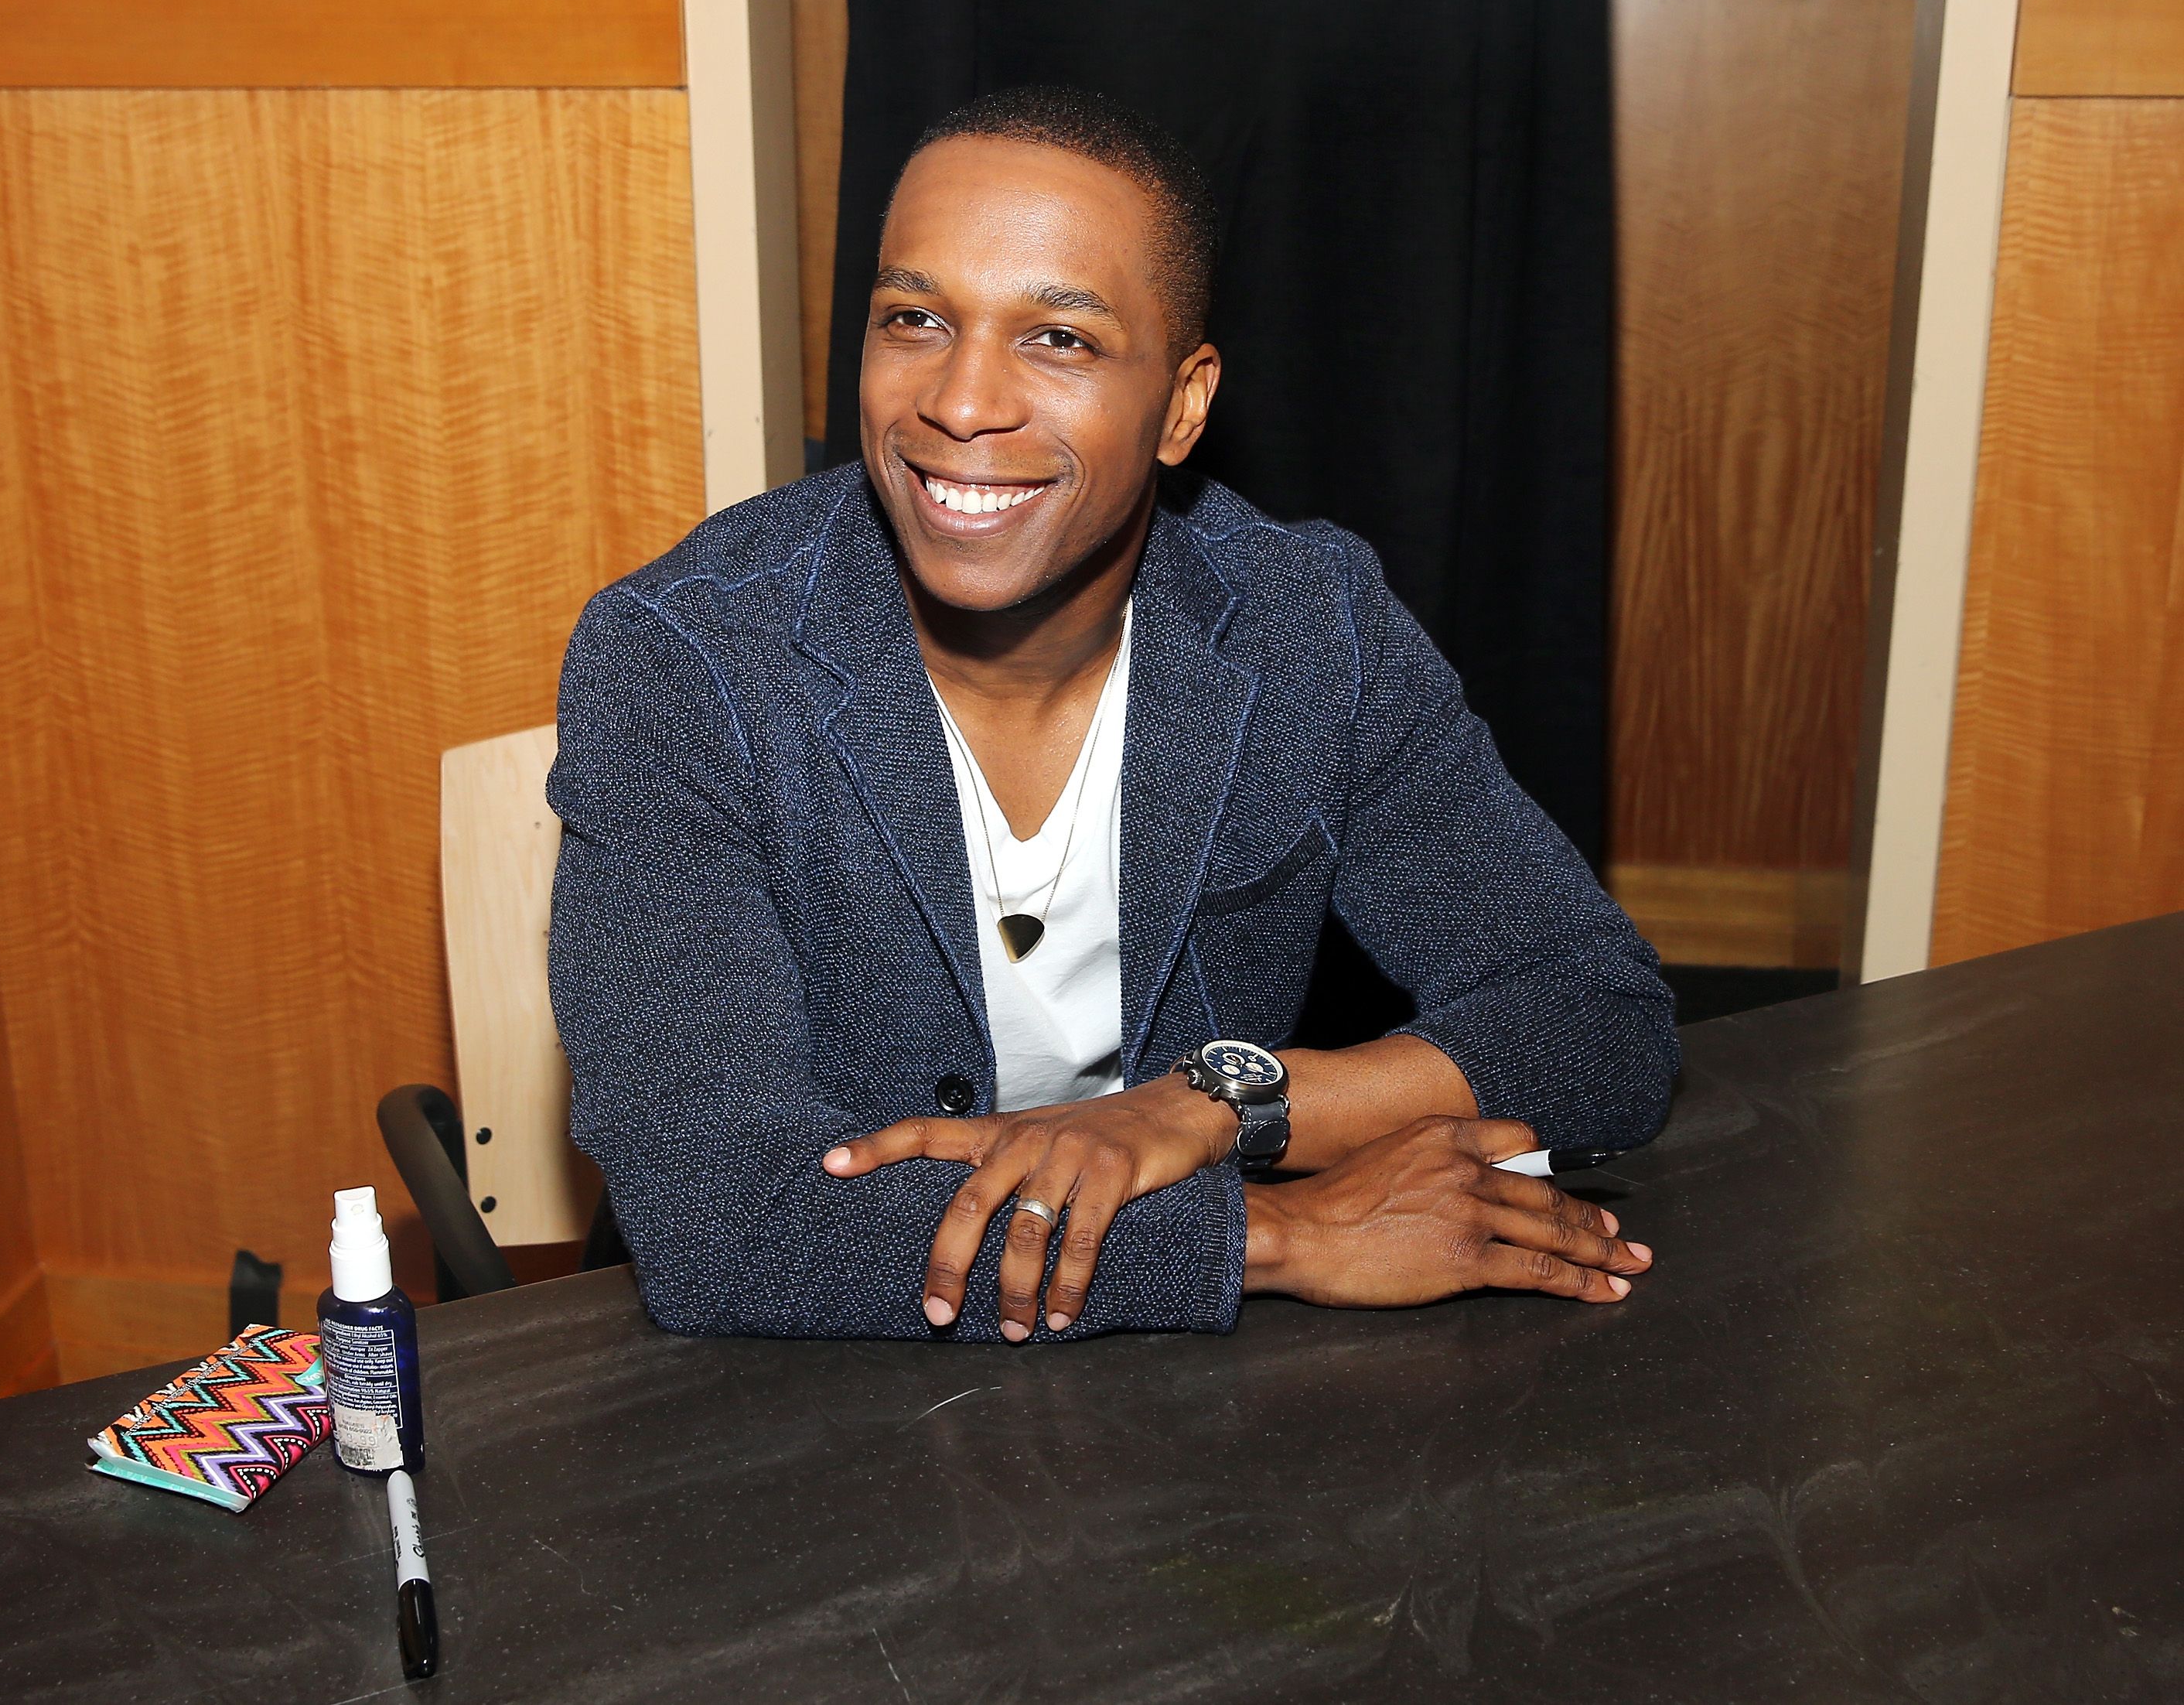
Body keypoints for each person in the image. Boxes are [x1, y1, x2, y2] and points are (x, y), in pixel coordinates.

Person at [548, 85, 1675, 1344]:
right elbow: (725, 1219)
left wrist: (1213, 1105)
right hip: (800, 1398)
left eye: (1060, 340)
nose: (961, 404)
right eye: (913, 319)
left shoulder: (1309, 626)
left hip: (1173, 1426)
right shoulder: (683, 660)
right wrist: (1285, 1235)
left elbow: (1594, 1017)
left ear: (1185, 405)